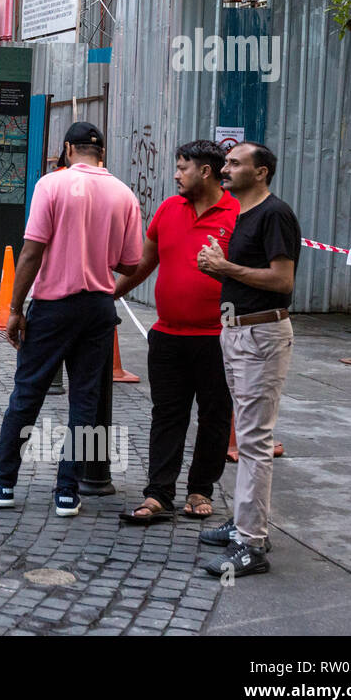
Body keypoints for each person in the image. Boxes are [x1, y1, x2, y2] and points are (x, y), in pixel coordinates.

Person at [0, 121, 143, 518]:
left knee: (27, 394)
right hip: (99, 307)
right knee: (85, 401)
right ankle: (68, 491)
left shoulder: (52, 184)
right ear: (102, 153)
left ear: (68, 149)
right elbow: (130, 263)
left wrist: (14, 309)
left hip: (53, 307)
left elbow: (31, 252)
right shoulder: (123, 193)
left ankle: (3, 482)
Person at [115, 140, 238, 524]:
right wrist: (107, 295)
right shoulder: (169, 209)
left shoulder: (238, 213)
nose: (175, 174)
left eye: (182, 168)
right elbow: (143, 263)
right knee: (167, 415)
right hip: (167, 336)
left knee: (215, 416)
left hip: (219, 337)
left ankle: (201, 488)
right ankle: (158, 494)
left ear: (205, 171)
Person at [195, 141, 301, 577]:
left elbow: (282, 279)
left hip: (262, 334)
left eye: (236, 163)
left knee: (255, 442)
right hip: (238, 332)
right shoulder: (242, 213)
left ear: (260, 173)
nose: (226, 168)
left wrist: (226, 269)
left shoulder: (275, 213)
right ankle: (245, 523)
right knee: (247, 437)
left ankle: (251, 544)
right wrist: (218, 267)